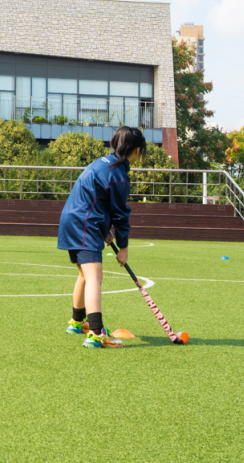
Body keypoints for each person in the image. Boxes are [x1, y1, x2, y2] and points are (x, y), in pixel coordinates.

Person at [58, 126, 145, 349]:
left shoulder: (101, 162)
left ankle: (78, 322)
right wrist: (123, 247)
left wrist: (105, 230)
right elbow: (120, 213)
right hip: (84, 224)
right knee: (95, 276)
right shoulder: (118, 175)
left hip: (72, 219)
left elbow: (96, 198)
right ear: (136, 150)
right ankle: (96, 333)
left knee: (85, 274)